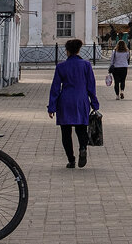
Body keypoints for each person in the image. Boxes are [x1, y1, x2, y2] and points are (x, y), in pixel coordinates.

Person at [47, 38, 100, 169]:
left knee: (66, 133)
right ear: (78, 50)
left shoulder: (61, 66)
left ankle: (71, 160)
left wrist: (52, 106)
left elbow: (55, 88)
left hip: (65, 101)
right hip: (81, 100)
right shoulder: (86, 65)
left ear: (67, 51)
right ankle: (83, 148)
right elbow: (91, 86)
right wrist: (94, 103)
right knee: (81, 129)